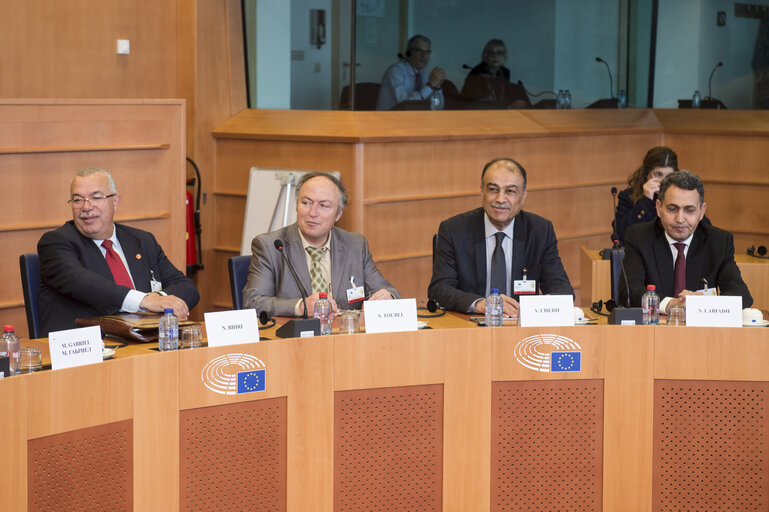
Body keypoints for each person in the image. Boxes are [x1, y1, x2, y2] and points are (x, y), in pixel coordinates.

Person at [37, 167, 200, 336]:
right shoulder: (55, 242)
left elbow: (186, 287)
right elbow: (84, 283)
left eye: (96, 197)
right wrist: (144, 301)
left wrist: (159, 298)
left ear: (115, 202)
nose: (86, 206)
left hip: (144, 342)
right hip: (85, 348)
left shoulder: (142, 241)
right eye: (77, 200)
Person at [428, 158, 573, 318]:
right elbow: (439, 289)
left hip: (521, 327)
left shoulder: (539, 231)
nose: (500, 199)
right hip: (472, 324)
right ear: (482, 191)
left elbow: (562, 291)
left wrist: (532, 310)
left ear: (523, 195)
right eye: (493, 189)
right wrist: (481, 304)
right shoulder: (454, 230)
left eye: (510, 191)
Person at [243, 172, 400, 317]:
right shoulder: (271, 246)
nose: (313, 212)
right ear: (297, 205)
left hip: (345, 335)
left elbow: (387, 290)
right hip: (295, 339)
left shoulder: (355, 245)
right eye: (306, 202)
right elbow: (253, 303)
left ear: (338, 213)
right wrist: (301, 307)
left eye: (324, 205)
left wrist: (387, 297)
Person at [619, 170, 752, 313]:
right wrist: (671, 304)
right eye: (672, 209)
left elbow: (742, 296)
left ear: (701, 212)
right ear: (658, 208)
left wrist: (702, 303)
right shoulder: (639, 237)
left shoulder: (718, 241)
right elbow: (628, 291)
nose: (680, 219)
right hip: (655, 329)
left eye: (689, 210)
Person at [613, 146, 678, 243]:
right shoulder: (627, 196)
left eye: (669, 176)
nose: (664, 181)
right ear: (647, 174)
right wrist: (646, 201)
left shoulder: (682, 197)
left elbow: (704, 228)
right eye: (658, 174)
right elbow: (620, 234)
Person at [376, 34, 446, 111]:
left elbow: (437, 107)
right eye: (419, 51)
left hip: (415, 120)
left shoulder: (425, 74)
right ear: (409, 52)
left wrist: (437, 89)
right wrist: (430, 86)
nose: (423, 56)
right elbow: (405, 104)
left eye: (427, 52)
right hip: (389, 120)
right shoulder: (395, 71)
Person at [460, 39, 530, 108]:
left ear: (504, 56)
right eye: (491, 52)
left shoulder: (505, 72)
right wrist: (508, 106)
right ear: (485, 56)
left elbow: (503, 95)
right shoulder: (476, 73)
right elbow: (477, 102)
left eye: (499, 53)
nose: (495, 56)